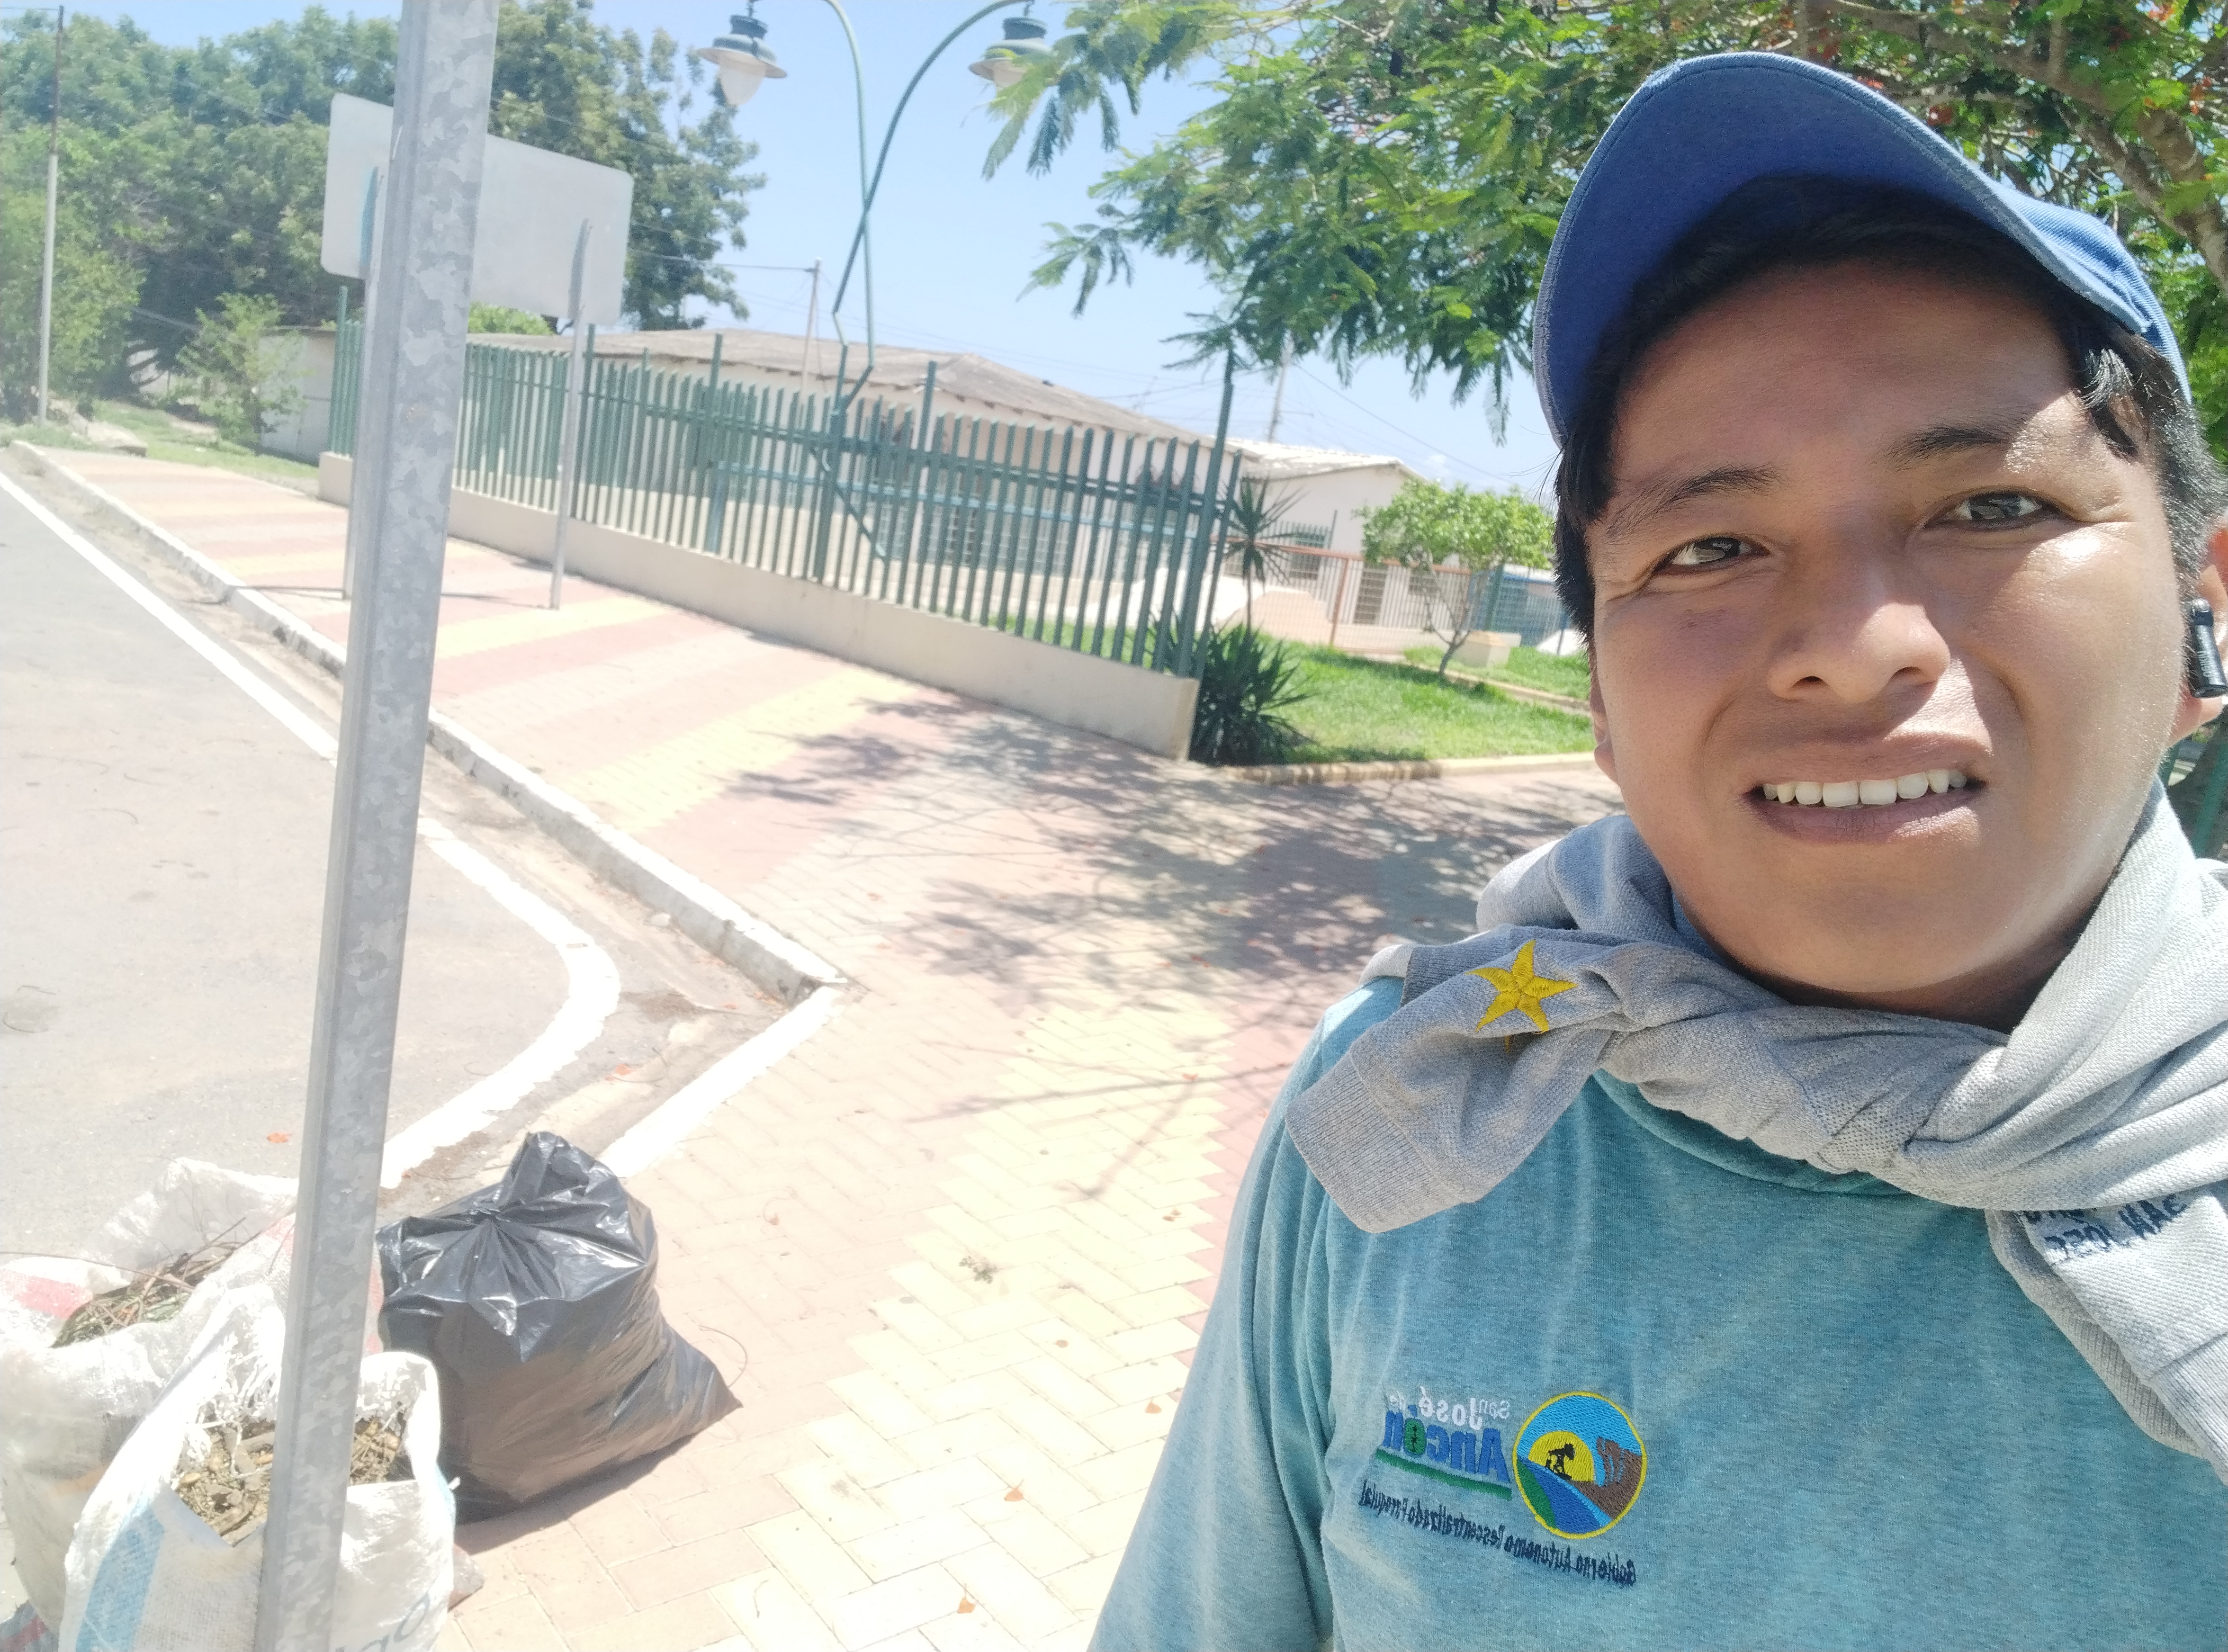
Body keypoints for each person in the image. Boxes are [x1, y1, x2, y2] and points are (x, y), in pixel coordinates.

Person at [1092, 51, 2228, 1651]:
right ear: (1605, 712)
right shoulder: (1427, 1092)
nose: (1851, 647)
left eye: (1989, 507)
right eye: (1710, 547)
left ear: (2203, 614)